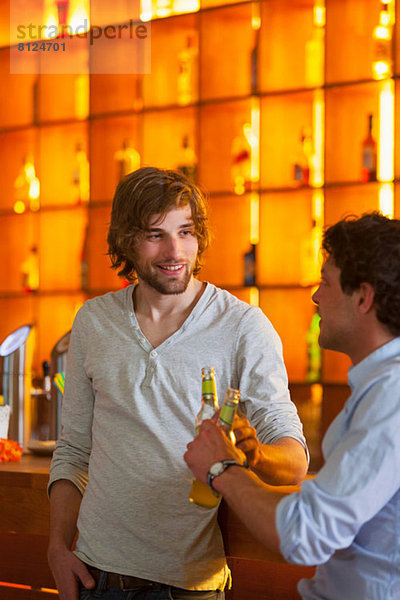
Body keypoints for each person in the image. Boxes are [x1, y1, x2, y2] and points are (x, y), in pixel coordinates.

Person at [47, 166, 308, 600]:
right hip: (95, 578)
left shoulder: (244, 327)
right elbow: (74, 450)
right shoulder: (94, 321)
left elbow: (294, 459)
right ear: (126, 241)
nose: (175, 250)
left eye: (186, 232)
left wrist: (251, 452)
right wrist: (57, 547)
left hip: (190, 586)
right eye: (155, 234)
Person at [185, 211, 400, 600]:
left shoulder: (392, 396)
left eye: (326, 282)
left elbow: (308, 533)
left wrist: (222, 469)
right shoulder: (380, 387)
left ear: (364, 298)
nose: (316, 296)